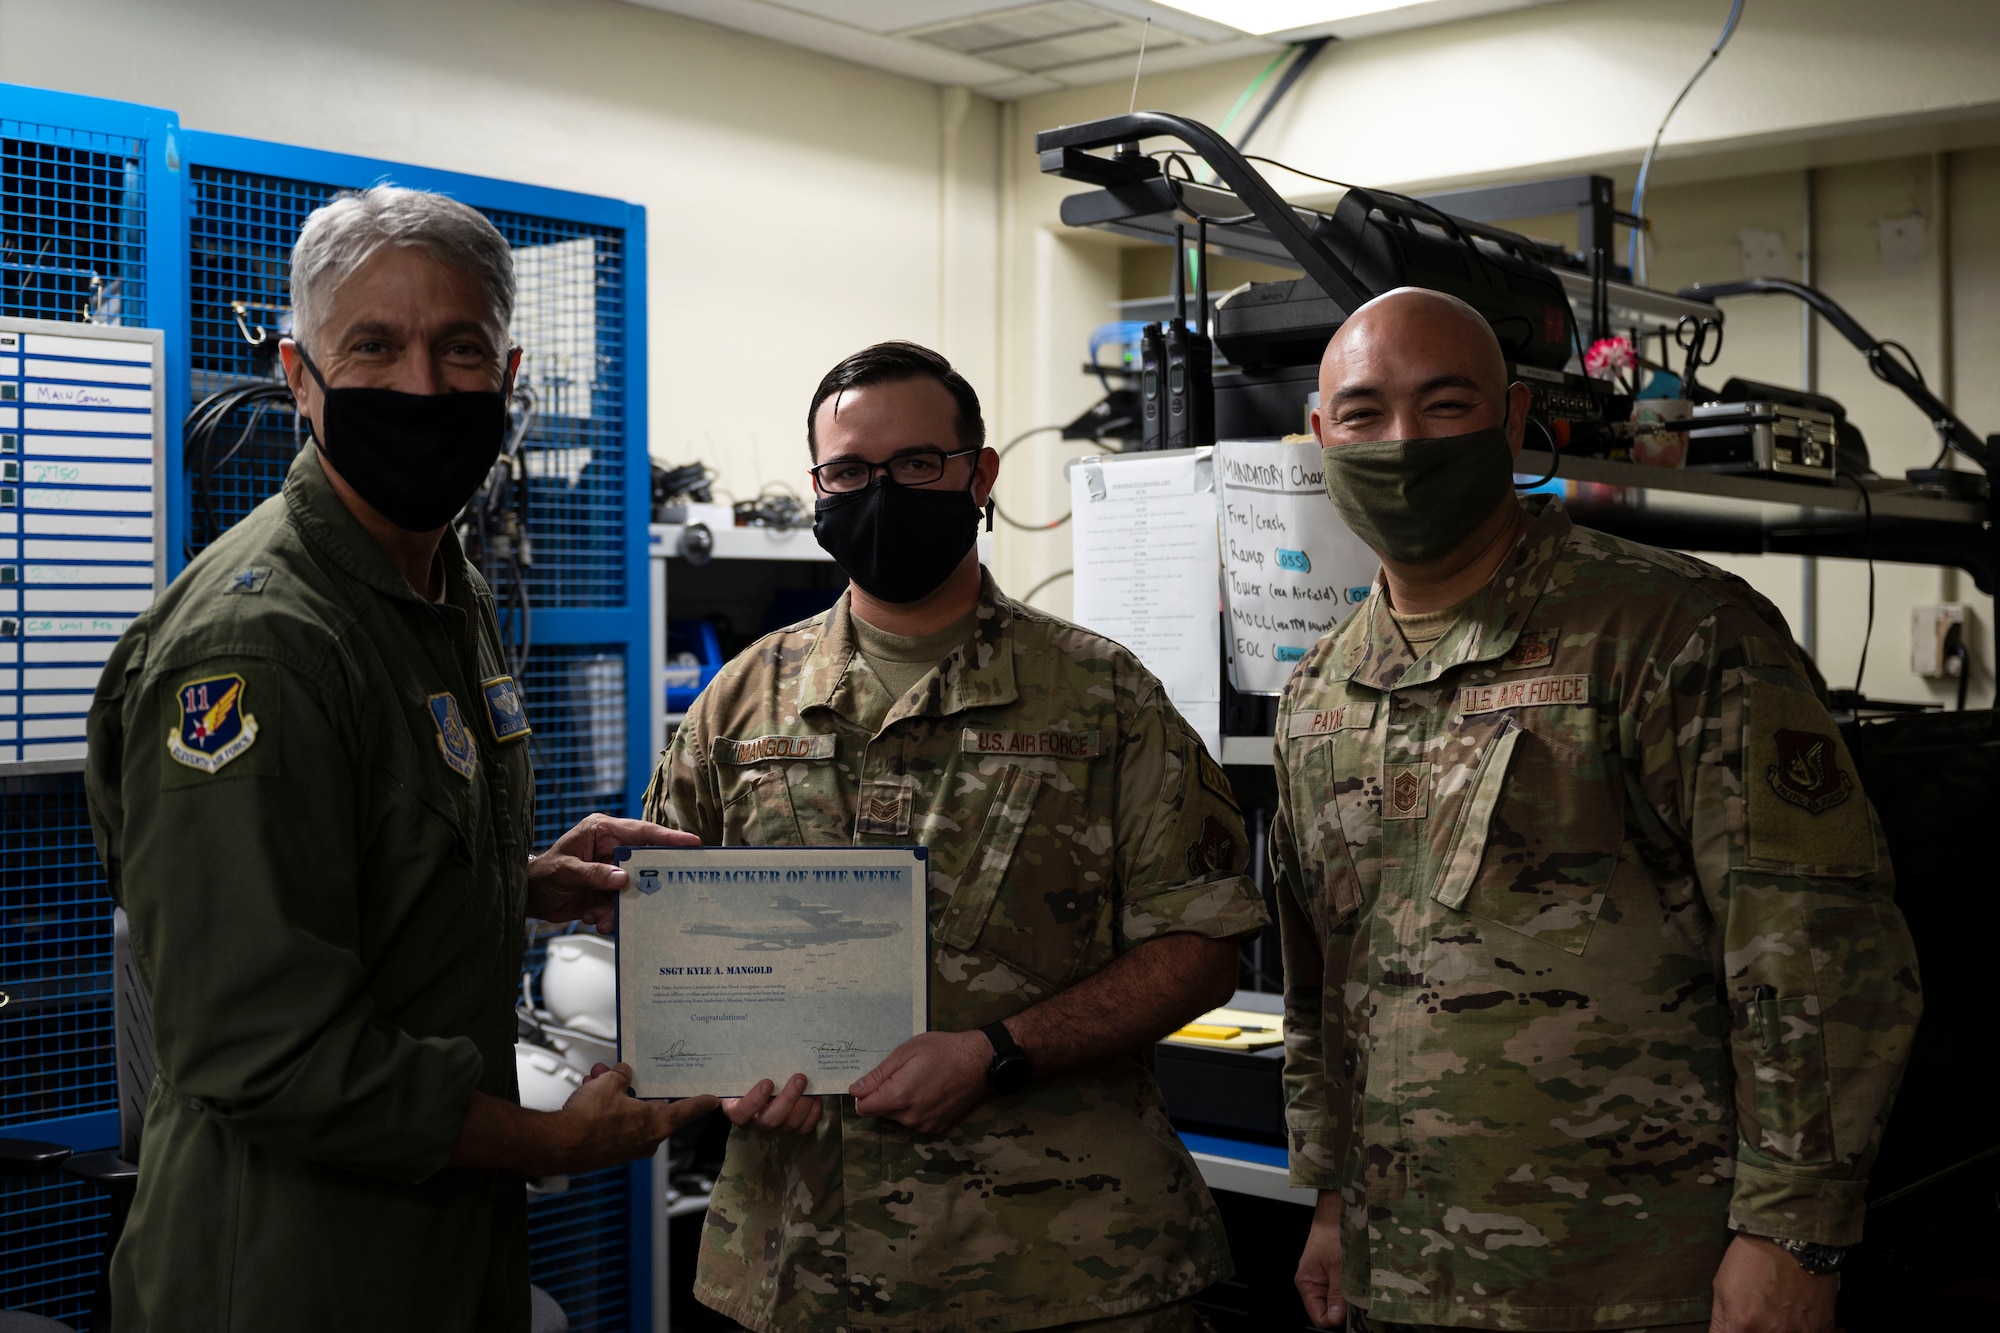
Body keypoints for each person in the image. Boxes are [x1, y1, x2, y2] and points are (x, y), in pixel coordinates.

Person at [83, 186, 717, 1332]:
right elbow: (262, 1050)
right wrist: (549, 1142)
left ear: (509, 374)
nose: (421, 386)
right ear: (297, 373)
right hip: (287, 1266)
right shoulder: (259, 644)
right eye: (372, 345)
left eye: (458, 347)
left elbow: (339, 863)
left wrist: (511, 884)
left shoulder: (438, 587)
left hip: (434, 1243)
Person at [1272, 288, 1920, 1333]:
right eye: (1363, 414)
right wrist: (1334, 1196)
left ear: (1513, 422)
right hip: (1401, 1274)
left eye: (1443, 407)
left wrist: (1791, 1231)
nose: (1400, 443)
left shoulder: (1672, 631)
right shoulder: (1317, 692)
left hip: (1642, 1279)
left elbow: (1813, 946)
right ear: (1318, 434)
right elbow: (1322, 984)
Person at [643, 341, 1270, 1332]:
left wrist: (996, 1052)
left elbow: (1199, 950)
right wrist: (724, 1073)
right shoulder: (738, 701)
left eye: (916, 465)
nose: (879, 492)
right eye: (848, 471)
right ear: (816, 487)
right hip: (803, 1261)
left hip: (1058, 1265)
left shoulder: (1104, 696)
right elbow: (672, 950)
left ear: (977, 476)